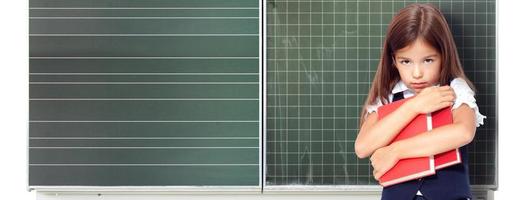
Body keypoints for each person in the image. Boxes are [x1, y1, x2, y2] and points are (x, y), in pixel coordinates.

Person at [354, 3, 486, 200]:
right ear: (394, 60)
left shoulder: (455, 89)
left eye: (428, 60)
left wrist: (396, 151)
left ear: (443, 56)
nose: (417, 73)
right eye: (406, 61)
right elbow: (363, 147)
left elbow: (463, 132)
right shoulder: (388, 94)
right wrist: (414, 106)